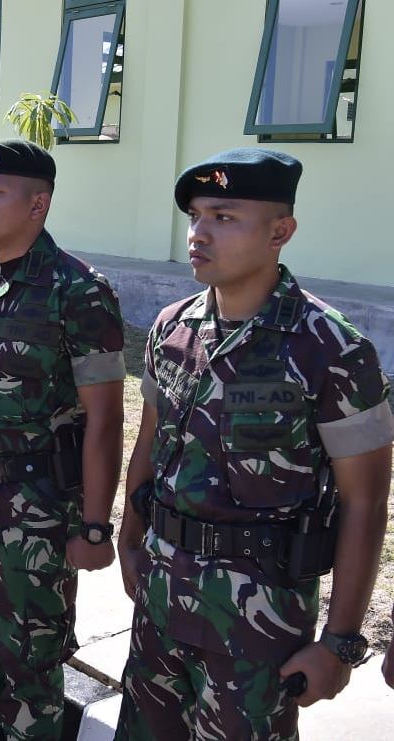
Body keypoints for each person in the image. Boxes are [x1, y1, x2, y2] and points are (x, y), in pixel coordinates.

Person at [115, 148, 394, 739]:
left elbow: (366, 503)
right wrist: (129, 536)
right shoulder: (172, 327)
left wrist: (339, 644)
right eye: (195, 216)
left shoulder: (332, 350)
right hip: (161, 601)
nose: (198, 233)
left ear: (280, 232)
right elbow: (151, 436)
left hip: (256, 623)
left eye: (223, 217)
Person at [0, 139, 126, 741]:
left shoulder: (79, 290)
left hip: (37, 506)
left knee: (32, 654)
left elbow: (106, 418)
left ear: (38, 203)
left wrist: (95, 526)